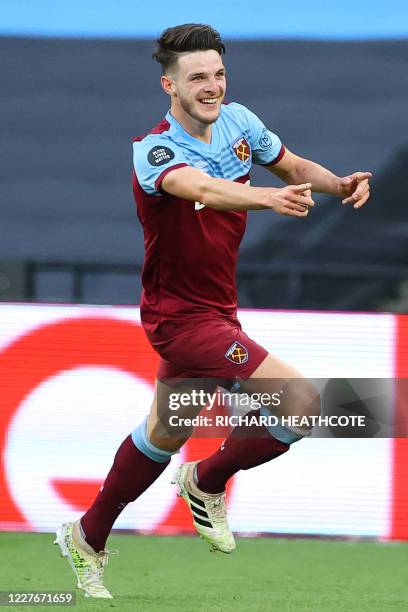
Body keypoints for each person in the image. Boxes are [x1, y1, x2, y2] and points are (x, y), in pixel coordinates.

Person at [54, 23, 372, 598]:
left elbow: (293, 166)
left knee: (165, 432)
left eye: (218, 74)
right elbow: (206, 187)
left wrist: (337, 183)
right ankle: (206, 480)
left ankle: (87, 535)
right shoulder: (153, 149)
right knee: (302, 403)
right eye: (197, 77)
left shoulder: (240, 122)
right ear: (168, 86)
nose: (212, 86)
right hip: (178, 318)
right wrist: (265, 198)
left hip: (218, 310)